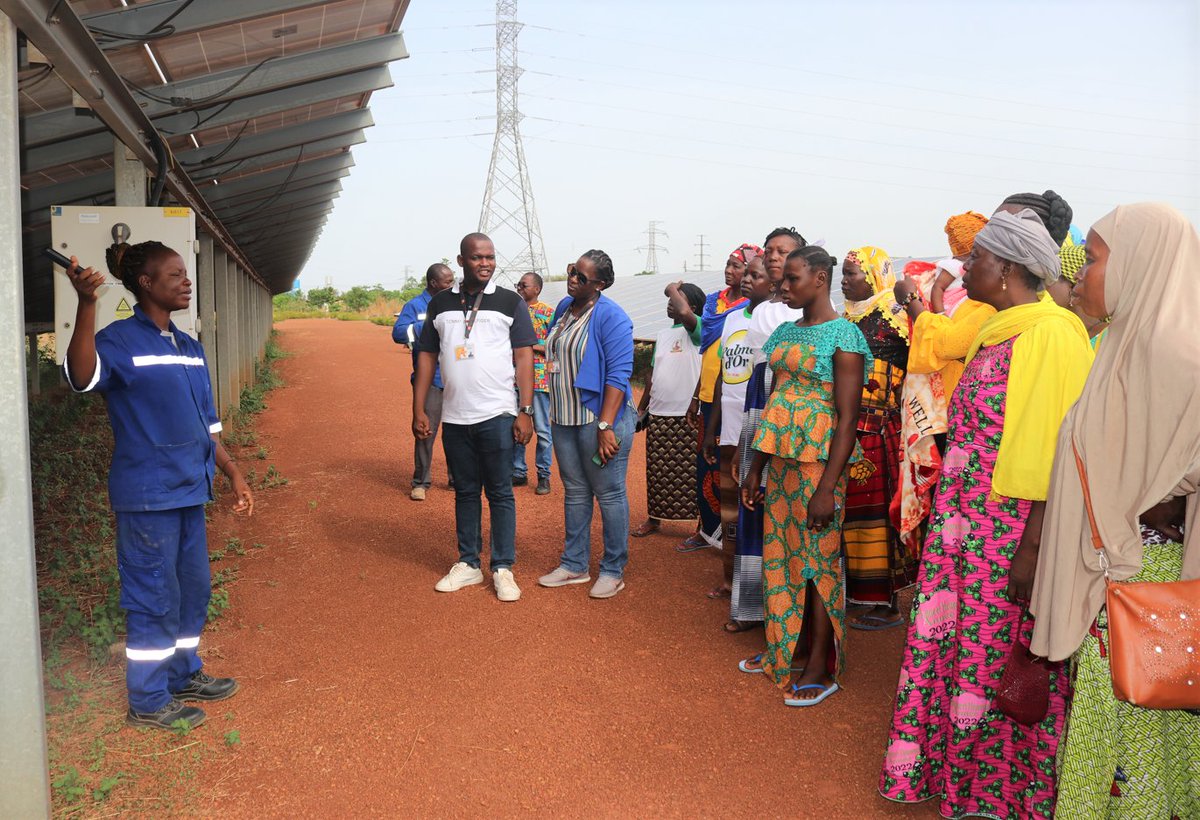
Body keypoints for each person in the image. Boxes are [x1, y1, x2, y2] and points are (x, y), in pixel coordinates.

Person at [879, 209, 1094, 819]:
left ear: (1005, 269)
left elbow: (1060, 449)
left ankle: (1000, 793)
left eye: (975, 261)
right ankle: (959, 780)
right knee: (962, 648)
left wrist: (1032, 547)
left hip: (1010, 530)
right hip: (966, 521)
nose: (964, 269)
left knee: (998, 654)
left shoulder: (1051, 334)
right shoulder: (997, 330)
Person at [1031, 202, 1200, 819]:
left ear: (1141, 263)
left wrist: (1169, 490)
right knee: (1136, 744)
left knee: (1136, 743)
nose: (1081, 275)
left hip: (1142, 587)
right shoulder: (1124, 343)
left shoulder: (1174, 352)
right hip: (1120, 577)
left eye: (1095, 258)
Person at [62, 241, 253, 730]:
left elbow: (206, 425)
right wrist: (87, 304)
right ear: (145, 284)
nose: (185, 282)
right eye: (174, 276)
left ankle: (182, 674)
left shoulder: (189, 347)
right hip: (148, 495)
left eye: (185, 274)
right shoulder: (120, 341)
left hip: (191, 488)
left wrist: (230, 471)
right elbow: (82, 378)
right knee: (154, 595)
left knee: (193, 590)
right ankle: (147, 699)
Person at [739, 246, 870, 706]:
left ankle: (819, 662)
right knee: (783, 554)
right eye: (783, 281)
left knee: (817, 563)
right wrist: (756, 466)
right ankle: (784, 648)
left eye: (792, 280)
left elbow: (848, 418)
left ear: (819, 278)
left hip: (818, 468)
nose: (784, 288)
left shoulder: (846, 338)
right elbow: (775, 404)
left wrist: (827, 489)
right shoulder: (785, 333)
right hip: (780, 464)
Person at [413, 233, 535, 603]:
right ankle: (468, 563)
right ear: (462, 260)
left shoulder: (510, 302)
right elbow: (427, 357)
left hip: (497, 413)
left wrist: (525, 410)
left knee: (500, 493)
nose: (485, 263)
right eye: (477, 257)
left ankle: (502, 568)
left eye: (490, 257)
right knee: (465, 492)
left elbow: (525, 356)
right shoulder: (440, 305)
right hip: (455, 416)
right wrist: (418, 408)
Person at [538, 250, 636, 599]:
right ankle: (574, 564)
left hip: (599, 421)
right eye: (572, 271)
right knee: (576, 492)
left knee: (609, 494)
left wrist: (606, 425)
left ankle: (613, 570)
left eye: (581, 276)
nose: (573, 279)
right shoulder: (565, 309)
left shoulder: (611, 317)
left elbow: (620, 374)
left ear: (601, 284)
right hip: (563, 417)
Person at [728, 228, 807, 631]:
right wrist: (746, 435)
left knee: (788, 509)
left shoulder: (807, 312)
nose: (774, 257)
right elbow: (756, 373)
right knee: (752, 501)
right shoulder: (761, 310)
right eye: (770, 250)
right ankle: (751, 606)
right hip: (760, 405)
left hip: (794, 410)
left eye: (783, 251)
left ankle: (789, 613)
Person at [841, 246, 914, 630]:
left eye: (852, 273)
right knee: (851, 515)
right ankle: (859, 594)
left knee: (878, 514)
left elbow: (919, 364)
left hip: (877, 431)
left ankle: (887, 603)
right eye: (844, 272)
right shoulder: (847, 317)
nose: (845, 279)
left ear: (874, 276)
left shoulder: (894, 317)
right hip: (847, 430)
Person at [703, 255, 772, 602]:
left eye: (754, 275)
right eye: (746, 274)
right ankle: (730, 580)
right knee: (729, 511)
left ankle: (755, 592)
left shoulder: (778, 321)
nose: (745, 279)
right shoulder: (731, 320)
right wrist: (710, 429)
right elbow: (721, 379)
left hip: (757, 434)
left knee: (753, 512)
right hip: (729, 430)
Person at [680, 244, 756, 551]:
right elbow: (714, 356)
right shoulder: (715, 305)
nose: (730, 270)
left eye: (738, 267)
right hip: (713, 394)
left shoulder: (755, 311)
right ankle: (708, 531)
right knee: (707, 466)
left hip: (740, 398)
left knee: (737, 469)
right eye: (728, 264)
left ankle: (736, 540)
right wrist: (697, 394)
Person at [632, 282, 705, 538]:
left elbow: (686, 315)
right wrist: (642, 409)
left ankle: (702, 525)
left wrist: (672, 288)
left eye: (678, 299)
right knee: (657, 471)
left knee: (691, 472)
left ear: (691, 307)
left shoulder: (699, 329)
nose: (670, 302)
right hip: (660, 413)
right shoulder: (663, 335)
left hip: (687, 414)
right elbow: (652, 375)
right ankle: (655, 518)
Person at [393, 263, 456, 500]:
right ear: (433, 283)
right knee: (425, 431)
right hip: (430, 379)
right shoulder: (415, 305)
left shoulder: (455, 302)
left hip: (456, 378)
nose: (452, 284)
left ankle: (456, 479)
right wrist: (428, 325)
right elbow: (398, 333)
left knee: (457, 431)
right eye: (448, 281)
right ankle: (421, 482)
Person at [512, 271, 555, 494]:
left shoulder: (549, 313)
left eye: (524, 285)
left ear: (536, 289)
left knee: (543, 430)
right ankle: (518, 471)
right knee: (516, 426)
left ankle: (544, 475)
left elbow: (555, 344)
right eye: (518, 284)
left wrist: (528, 347)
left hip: (539, 379)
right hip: (513, 380)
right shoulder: (512, 310)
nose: (519, 287)